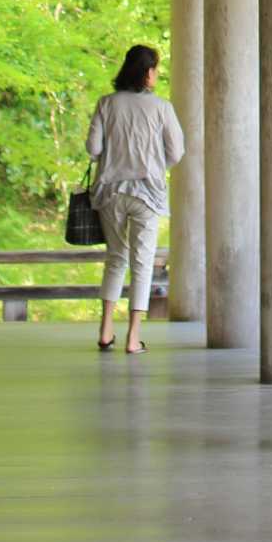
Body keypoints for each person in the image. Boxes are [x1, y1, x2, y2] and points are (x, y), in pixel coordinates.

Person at [86, 42, 185, 356]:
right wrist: (155, 166)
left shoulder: (106, 104)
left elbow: (93, 149)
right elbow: (177, 151)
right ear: (147, 73)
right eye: (155, 68)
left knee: (116, 258)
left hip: (111, 192)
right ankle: (132, 338)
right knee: (142, 263)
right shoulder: (161, 107)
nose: (156, 74)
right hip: (148, 194)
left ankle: (105, 331)